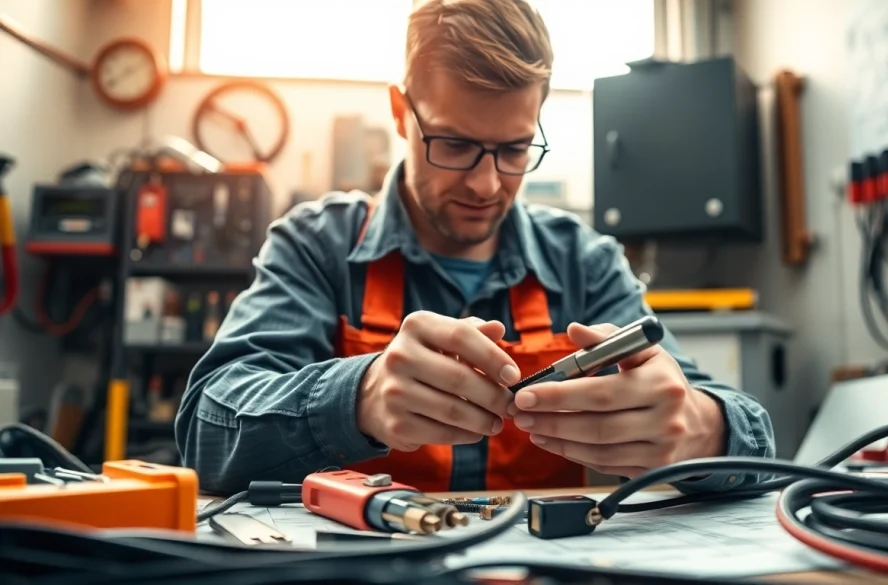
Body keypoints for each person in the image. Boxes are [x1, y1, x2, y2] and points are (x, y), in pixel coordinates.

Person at [175, 0, 775, 495]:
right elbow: (207, 428)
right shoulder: (316, 245)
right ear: (399, 111)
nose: (487, 185)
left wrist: (700, 429)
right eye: (455, 145)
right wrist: (358, 397)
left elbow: (754, 435)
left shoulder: (583, 262)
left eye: (514, 149)